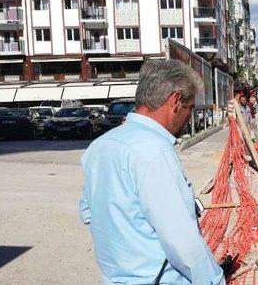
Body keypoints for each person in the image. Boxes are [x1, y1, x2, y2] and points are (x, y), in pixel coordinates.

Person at [79, 60, 225, 284]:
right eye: (190, 108)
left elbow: (89, 212)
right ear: (175, 101)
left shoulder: (100, 145)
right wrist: (212, 280)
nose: (189, 118)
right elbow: (181, 239)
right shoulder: (154, 151)